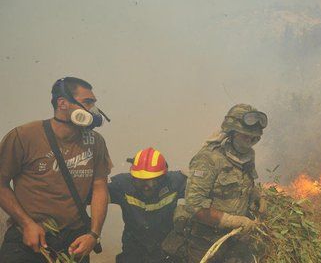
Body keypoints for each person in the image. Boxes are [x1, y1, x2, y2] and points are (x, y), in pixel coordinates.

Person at [0, 77, 113, 262]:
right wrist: (26, 224)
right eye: (87, 102)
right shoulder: (24, 136)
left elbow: (100, 186)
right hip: (29, 238)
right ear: (62, 103)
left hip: (74, 242)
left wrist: (93, 234)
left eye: (93, 103)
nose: (93, 109)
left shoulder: (96, 142)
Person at [173, 104, 267, 263]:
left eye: (255, 138)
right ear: (233, 132)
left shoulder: (248, 156)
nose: (250, 142)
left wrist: (257, 196)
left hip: (234, 242)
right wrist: (233, 221)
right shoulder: (209, 159)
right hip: (205, 243)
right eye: (246, 136)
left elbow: (244, 184)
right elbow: (194, 206)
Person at [108, 147, 187, 263]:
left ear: (162, 178)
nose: (146, 186)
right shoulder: (122, 185)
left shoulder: (174, 183)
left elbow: (202, 191)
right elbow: (91, 195)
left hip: (167, 251)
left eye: (151, 181)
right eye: (139, 181)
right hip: (133, 252)